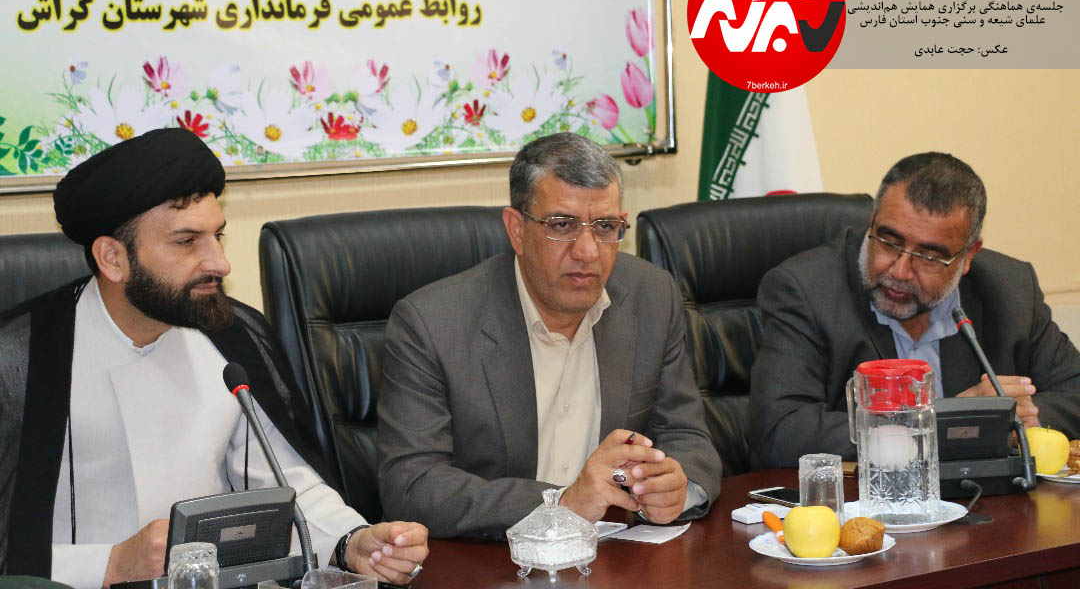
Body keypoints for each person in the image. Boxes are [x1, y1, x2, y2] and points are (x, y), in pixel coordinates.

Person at [0, 129, 428, 587]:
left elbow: (284, 485)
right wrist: (111, 563)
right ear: (113, 258)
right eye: (187, 242)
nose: (220, 263)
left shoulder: (235, 336)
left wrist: (350, 542)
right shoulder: (18, 361)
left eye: (217, 236)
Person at [377, 132, 721, 538]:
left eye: (605, 226)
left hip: (614, 554)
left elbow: (686, 435)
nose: (588, 251)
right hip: (495, 558)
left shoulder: (651, 295)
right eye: (562, 225)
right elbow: (413, 484)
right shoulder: (432, 323)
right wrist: (562, 504)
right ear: (516, 230)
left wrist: (676, 488)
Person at [749, 152, 1080, 467]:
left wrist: (1014, 417)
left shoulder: (1011, 290)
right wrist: (946, 422)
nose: (900, 271)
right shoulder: (807, 290)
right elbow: (779, 430)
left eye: (929, 257)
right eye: (889, 241)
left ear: (968, 256)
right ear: (872, 222)